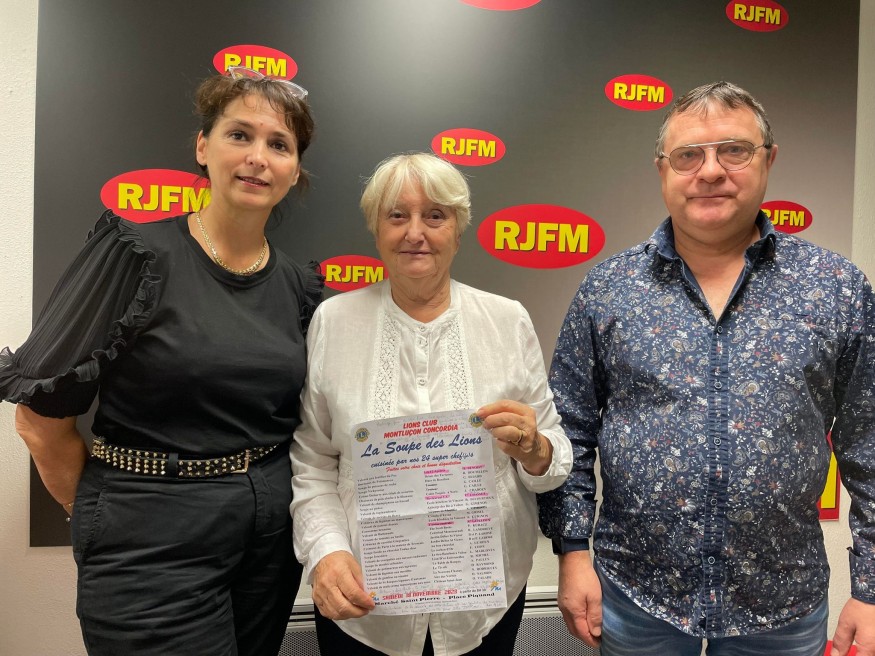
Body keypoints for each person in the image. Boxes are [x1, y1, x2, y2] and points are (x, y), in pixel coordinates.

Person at [538, 80, 875, 656]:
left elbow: (869, 441)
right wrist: (571, 552)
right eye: (688, 155)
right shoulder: (610, 289)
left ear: (768, 160)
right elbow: (568, 428)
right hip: (635, 595)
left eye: (734, 150)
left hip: (780, 601)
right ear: (662, 170)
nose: (711, 171)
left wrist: (869, 588)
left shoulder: (835, 288)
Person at [0, 66, 321, 656]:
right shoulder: (136, 255)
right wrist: (95, 510)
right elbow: (39, 420)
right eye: (239, 135)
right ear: (202, 147)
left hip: (269, 543)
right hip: (149, 537)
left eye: (279, 145)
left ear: (294, 169)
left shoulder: (299, 287)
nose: (258, 157)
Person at [290, 152, 572, 655]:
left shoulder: (507, 320)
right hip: (363, 604)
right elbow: (312, 461)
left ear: (458, 231)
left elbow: (553, 456)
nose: (415, 232)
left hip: (484, 607)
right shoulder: (334, 321)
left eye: (435, 216)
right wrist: (325, 552)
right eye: (397, 215)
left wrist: (535, 450)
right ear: (376, 229)